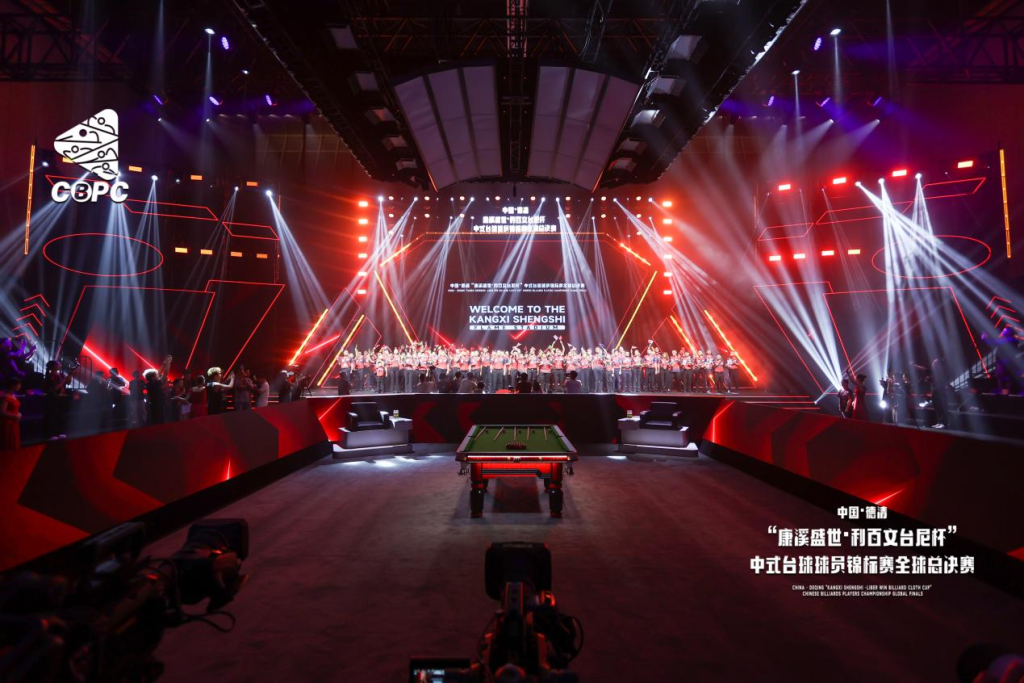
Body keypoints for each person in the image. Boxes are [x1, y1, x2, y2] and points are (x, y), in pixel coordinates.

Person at [0, 377, 23, 450]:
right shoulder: (5, 396)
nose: (20, 386)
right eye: (18, 384)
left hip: (14, 421)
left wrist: (18, 413)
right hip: (8, 422)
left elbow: (13, 408)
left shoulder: (12, 395)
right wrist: (15, 416)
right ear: (12, 385)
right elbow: (2, 412)